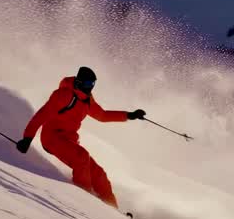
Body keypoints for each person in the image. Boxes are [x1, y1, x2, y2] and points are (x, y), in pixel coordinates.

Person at [16, 66, 145, 209]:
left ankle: (113, 211)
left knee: (99, 175)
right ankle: (85, 204)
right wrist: (27, 138)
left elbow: (102, 115)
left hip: (69, 141)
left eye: (93, 85)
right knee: (82, 157)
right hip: (52, 137)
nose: (90, 88)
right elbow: (41, 115)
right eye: (88, 84)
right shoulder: (63, 95)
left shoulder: (87, 99)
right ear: (79, 82)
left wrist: (129, 115)